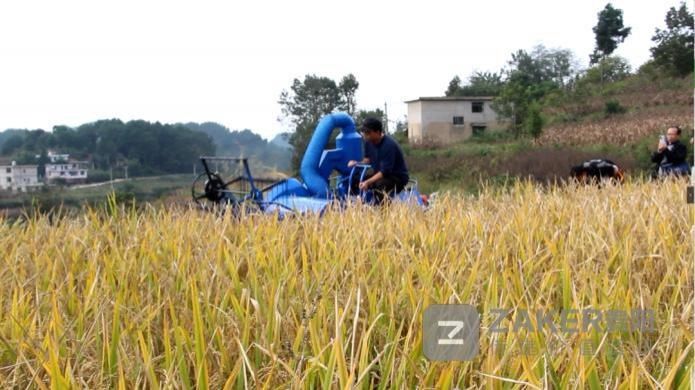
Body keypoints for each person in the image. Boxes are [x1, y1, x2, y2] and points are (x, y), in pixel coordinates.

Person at [347, 117, 409, 204]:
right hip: (380, 174)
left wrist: (367, 182)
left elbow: (385, 172)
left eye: (368, 132)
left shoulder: (389, 145)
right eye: (364, 132)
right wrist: (356, 163)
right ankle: (360, 204)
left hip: (396, 177)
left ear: (378, 132)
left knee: (380, 185)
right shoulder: (368, 142)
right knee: (356, 180)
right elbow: (367, 160)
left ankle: (384, 211)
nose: (365, 135)